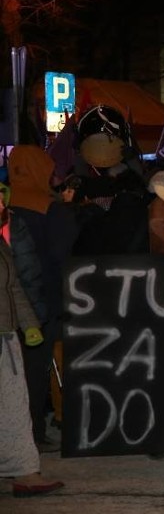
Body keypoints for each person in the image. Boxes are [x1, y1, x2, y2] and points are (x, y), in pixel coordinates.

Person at [7, 145, 78, 451]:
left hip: (8, 302)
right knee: (36, 371)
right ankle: (33, 434)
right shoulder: (50, 209)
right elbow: (63, 255)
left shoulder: (6, 205)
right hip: (41, 301)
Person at [1, 188, 64, 498]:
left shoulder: (4, 238)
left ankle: (25, 471)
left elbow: (14, 284)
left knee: (14, 405)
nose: (3, 204)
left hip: (6, 334)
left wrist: (29, 325)